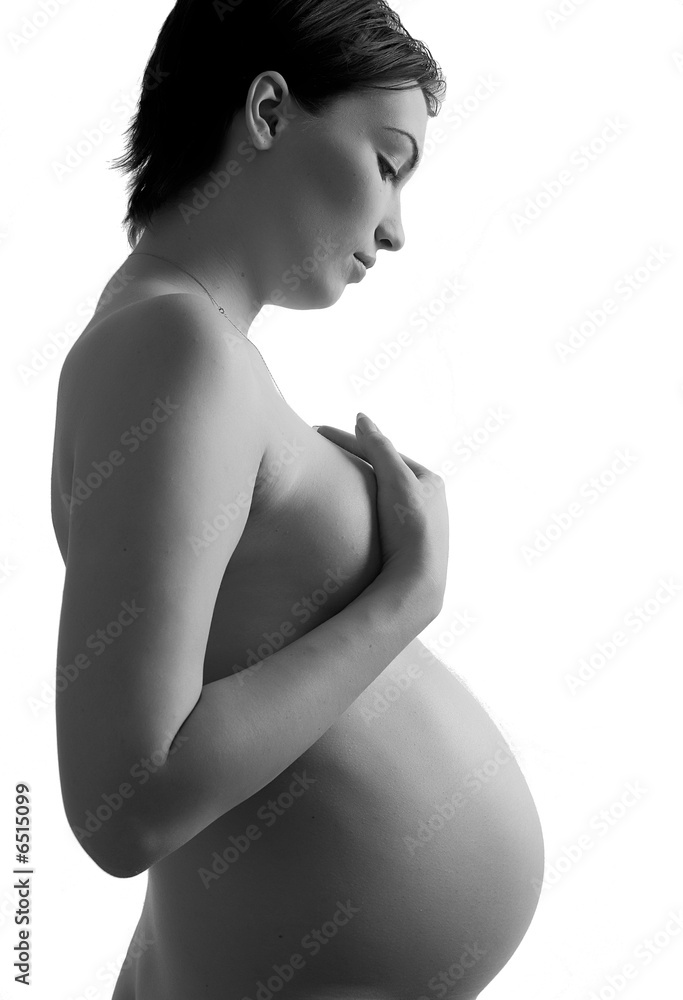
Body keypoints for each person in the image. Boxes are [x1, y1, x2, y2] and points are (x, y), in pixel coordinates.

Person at [51, 1, 545, 996]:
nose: (395, 230)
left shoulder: (176, 340)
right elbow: (125, 807)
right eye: (388, 162)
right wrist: (402, 599)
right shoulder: (174, 347)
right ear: (269, 111)